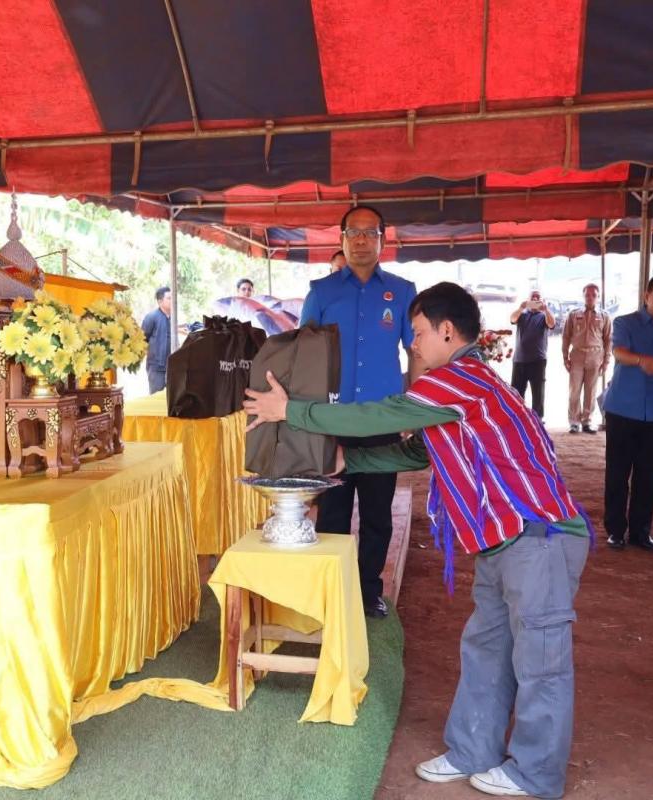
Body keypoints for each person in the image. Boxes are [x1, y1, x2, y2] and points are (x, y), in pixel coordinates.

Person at [244, 282, 590, 800]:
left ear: (447, 331)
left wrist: (291, 411)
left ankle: (536, 774)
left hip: (537, 536)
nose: (414, 343)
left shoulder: (459, 379)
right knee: (487, 650)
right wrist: (349, 460)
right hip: (504, 539)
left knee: (540, 663)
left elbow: (381, 415)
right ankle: (473, 750)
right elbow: (415, 455)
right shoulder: (463, 386)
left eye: (420, 332)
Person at [298, 204, 417, 619]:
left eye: (370, 232)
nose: (362, 240)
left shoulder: (402, 292)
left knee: (377, 513)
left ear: (384, 239)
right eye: (354, 232)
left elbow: (416, 352)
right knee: (332, 511)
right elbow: (303, 357)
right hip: (332, 422)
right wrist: (307, 417)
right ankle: (333, 590)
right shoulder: (321, 292)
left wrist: (414, 410)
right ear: (342, 239)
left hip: (384, 421)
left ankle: (368, 591)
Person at [602, 276, 653, 553]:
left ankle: (641, 532)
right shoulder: (625, 323)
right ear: (646, 295)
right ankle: (615, 531)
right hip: (622, 409)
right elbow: (618, 352)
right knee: (618, 472)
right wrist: (640, 360)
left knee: (648, 476)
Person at [561, 283, 610, 434]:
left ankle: (587, 421)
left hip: (595, 356)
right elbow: (566, 336)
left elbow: (608, 340)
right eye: (587, 295)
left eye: (593, 295)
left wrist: (606, 361)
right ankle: (574, 422)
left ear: (598, 296)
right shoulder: (574, 314)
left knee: (591, 391)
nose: (590, 297)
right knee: (574, 390)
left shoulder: (604, 316)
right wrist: (565, 357)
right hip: (577, 355)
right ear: (583, 296)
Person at [509, 290, 555, 420]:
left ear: (542, 300)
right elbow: (512, 319)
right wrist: (521, 307)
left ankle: (538, 418)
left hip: (538, 360)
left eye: (538, 297)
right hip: (519, 359)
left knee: (538, 392)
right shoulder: (522, 315)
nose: (535, 299)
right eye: (532, 297)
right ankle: (517, 417)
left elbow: (552, 324)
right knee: (517, 392)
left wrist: (546, 310)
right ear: (528, 299)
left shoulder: (543, 316)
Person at [141, 286, 172, 394]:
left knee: (171, 399)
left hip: (172, 368)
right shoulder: (151, 317)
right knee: (156, 398)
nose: (172, 301)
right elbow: (142, 339)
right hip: (156, 368)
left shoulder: (173, 318)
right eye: (169, 298)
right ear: (160, 301)